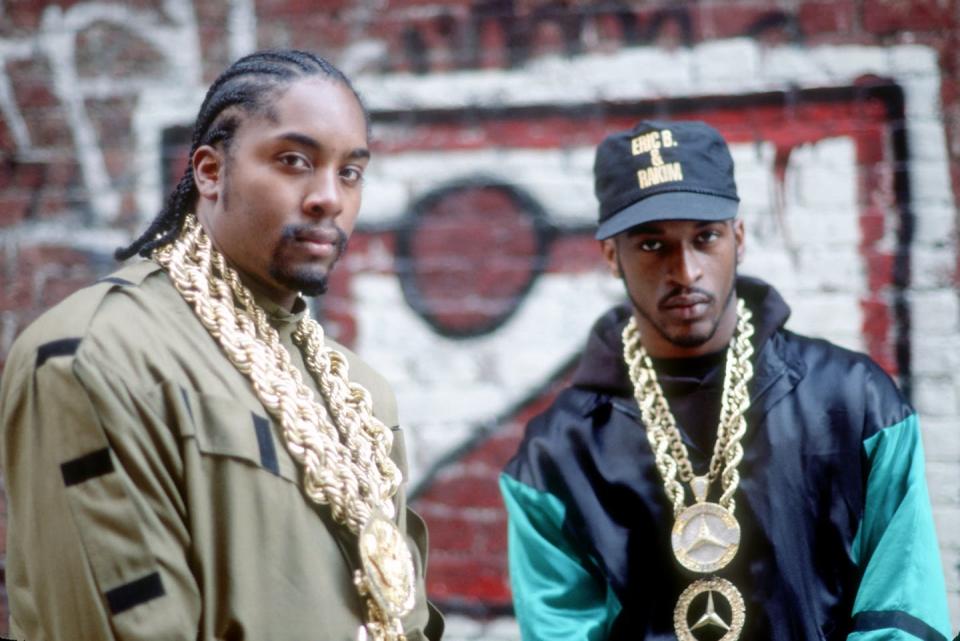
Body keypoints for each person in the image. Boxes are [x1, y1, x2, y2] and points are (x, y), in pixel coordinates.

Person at [0, 49, 442, 641]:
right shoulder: (96, 357)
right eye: (293, 161)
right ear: (210, 172)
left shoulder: (361, 398)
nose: (328, 198)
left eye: (349, 172)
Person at [499, 120, 951, 640]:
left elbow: (904, 613)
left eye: (705, 237)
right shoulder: (557, 451)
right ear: (610, 256)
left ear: (738, 237)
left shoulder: (855, 401)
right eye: (651, 245)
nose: (685, 270)